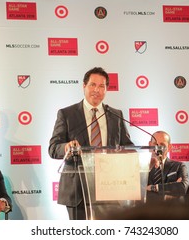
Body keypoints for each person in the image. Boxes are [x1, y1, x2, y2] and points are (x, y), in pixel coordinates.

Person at [48, 67, 134, 220]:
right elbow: (54, 148)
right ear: (84, 86)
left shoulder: (116, 115)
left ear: (107, 89)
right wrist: (66, 147)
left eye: (102, 86)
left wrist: (140, 158)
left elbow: (127, 146)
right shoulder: (67, 114)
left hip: (111, 187)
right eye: (92, 85)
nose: (97, 90)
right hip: (78, 190)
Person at [145, 131, 189, 203]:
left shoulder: (178, 166)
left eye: (162, 145)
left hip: (172, 212)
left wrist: (153, 188)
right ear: (150, 145)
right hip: (146, 211)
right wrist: (166, 196)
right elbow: (139, 192)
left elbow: (182, 187)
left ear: (169, 147)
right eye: (155, 144)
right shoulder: (141, 168)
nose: (158, 148)